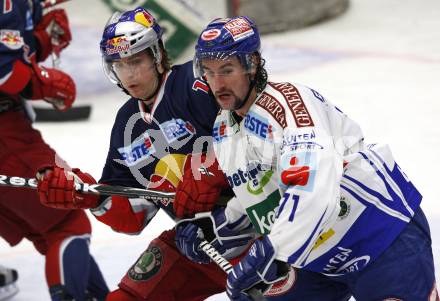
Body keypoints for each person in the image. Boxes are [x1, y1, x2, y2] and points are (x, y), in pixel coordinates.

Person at [175, 16, 438, 301]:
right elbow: (260, 196)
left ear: (251, 65)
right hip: (317, 255)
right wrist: (217, 232)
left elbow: (312, 188)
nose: (217, 84)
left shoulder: (288, 105)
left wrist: (270, 249)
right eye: (209, 73)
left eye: (226, 70)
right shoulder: (224, 128)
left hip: (379, 234)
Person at [35, 7, 255, 301]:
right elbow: (132, 217)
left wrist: (209, 172)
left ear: (157, 54)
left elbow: (259, 137)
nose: (129, 74)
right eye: (119, 64)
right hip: (195, 242)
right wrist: (90, 195)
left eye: (136, 61)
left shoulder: (198, 82)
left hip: (257, 231)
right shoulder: (127, 123)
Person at [0, 1, 109, 300]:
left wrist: (42, 39)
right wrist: (45, 84)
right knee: (68, 222)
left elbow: (12, 48)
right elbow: (4, 70)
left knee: (49, 230)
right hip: (5, 136)